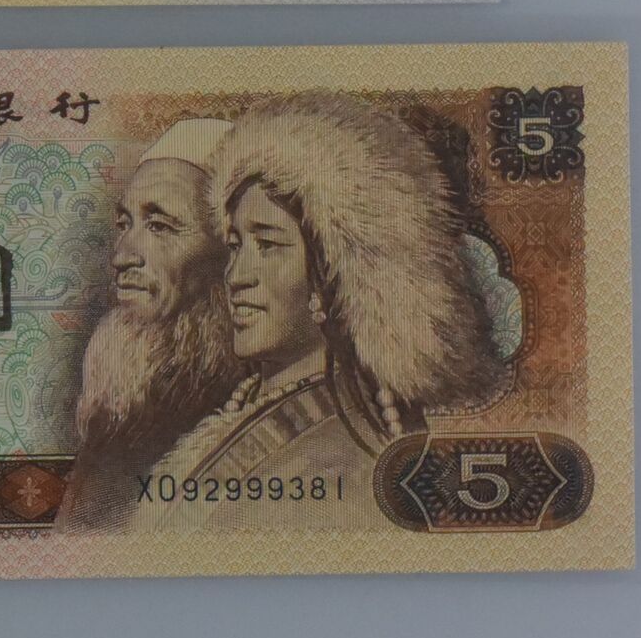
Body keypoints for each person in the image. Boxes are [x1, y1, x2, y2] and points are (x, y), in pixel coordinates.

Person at [140, 91, 501, 530]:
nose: (236, 275)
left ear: (331, 274)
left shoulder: (343, 457)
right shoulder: (250, 408)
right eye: (234, 245)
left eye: (268, 245)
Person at [56, 118, 240, 530]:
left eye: (159, 226)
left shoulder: (250, 413)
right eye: (125, 224)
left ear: (228, 252)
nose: (122, 256)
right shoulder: (118, 414)